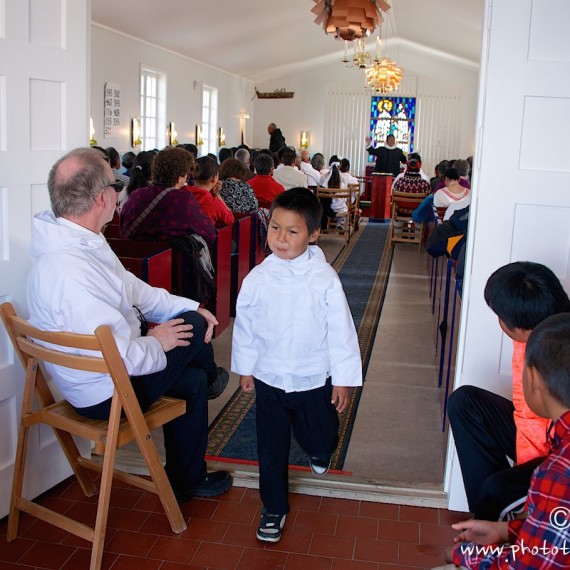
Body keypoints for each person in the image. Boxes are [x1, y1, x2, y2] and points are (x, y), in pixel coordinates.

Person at [27, 147, 232, 503]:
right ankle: (212, 375)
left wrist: (190, 306)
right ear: (101, 198)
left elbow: (136, 290)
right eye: (115, 187)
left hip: (106, 374)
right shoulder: (70, 271)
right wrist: (159, 341)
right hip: (104, 393)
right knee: (195, 331)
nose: (119, 193)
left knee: (194, 378)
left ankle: (186, 478)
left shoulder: (80, 242)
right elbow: (121, 358)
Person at [231, 188, 362, 544]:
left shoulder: (324, 280)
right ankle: (274, 507)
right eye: (275, 228)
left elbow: (341, 332)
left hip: (312, 377)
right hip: (270, 377)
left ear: (313, 234)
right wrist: (246, 367)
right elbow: (246, 325)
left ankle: (320, 448)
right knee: (270, 447)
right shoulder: (258, 277)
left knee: (318, 434)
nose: (281, 239)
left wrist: (343, 379)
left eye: (293, 231)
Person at [444, 312, 570, 569]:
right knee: (465, 402)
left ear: (533, 378)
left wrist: (458, 555)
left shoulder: (558, 472)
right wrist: (505, 530)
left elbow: (528, 565)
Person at [447, 262, 570, 521]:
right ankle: (489, 520)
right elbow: (529, 417)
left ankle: (491, 541)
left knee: (498, 490)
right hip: (543, 436)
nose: (500, 321)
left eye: (500, 316)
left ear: (522, 328)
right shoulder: (537, 332)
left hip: (562, 455)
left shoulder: (554, 352)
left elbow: (540, 430)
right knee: (465, 402)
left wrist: (529, 485)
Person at [120, 146, 216, 244]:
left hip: (132, 255)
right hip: (169, 258)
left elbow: (123, 227)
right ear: (181, 176)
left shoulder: (136, 194)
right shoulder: (183, 199)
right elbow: (210, 233)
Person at [189, 156, 234, 228]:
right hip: (204, 238)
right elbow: (230, 220)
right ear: (214, 178)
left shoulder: (182, 192)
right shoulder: (214, 203)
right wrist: (218, 195)